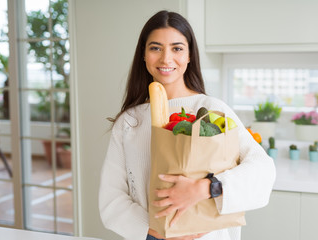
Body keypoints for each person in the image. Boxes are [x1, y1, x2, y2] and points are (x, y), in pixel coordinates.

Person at [99, 10, 276, 240]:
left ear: (190, 55)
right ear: (143, 54)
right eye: (155, 48)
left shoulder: (212, 110)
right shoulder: (130, 122)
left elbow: (263, 169)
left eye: (177, 48)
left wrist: (205, 188)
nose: (166, 59)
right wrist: (155, 231)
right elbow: (112, 198)